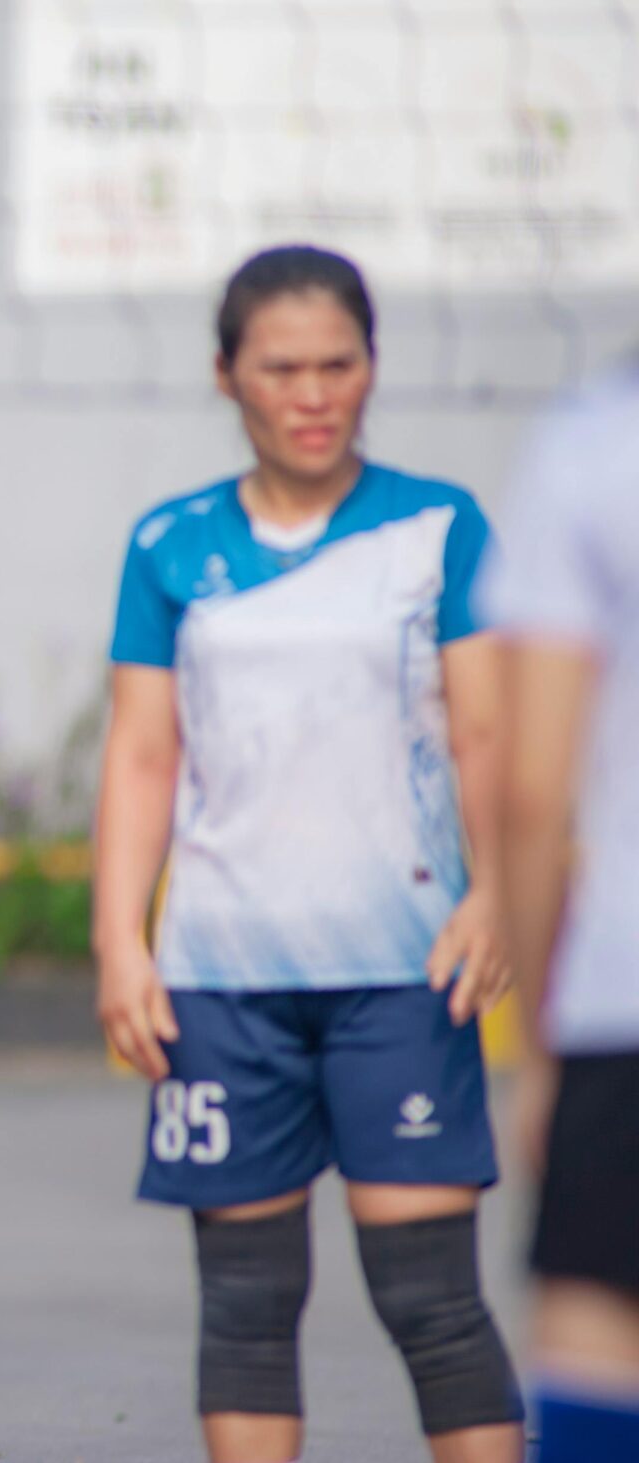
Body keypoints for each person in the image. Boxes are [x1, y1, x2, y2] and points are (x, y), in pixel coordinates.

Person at [89, 246, 522, 1463]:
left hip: (404, 966)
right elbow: (139, 758)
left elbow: (488, 733)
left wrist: (497, 894)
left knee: (430, 1301)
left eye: (338, 364)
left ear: (371, 369)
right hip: (220, 979)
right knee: (243, 1306)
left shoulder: (439, 528)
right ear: (227, 377)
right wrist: (118, 940)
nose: (314, 392)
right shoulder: (167, 543)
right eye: (282, 368)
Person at [483, 369, 639, 1461]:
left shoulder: (591, 445)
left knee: (596, 1352)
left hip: (622, 1003)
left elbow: (531, 786)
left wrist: (540, 1045)